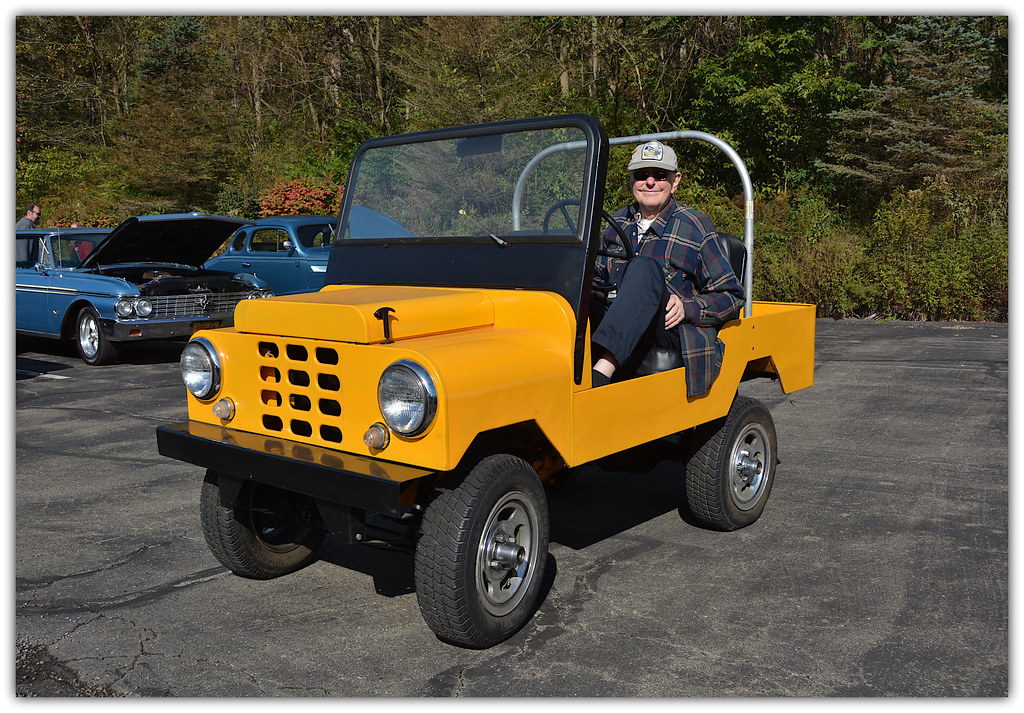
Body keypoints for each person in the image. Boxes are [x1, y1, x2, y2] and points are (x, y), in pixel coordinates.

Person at [590, 140, 744, 396]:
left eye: (660, 175)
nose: (650, 182)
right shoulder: (616, 222)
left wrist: (688, 308)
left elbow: (731, 295)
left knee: (642, 268)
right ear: (631, 181)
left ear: (675, 181)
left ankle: (600, 373)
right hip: (613, 318)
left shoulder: (695, 226)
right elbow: (596, 277)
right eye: (642, 175)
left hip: (667, 329)